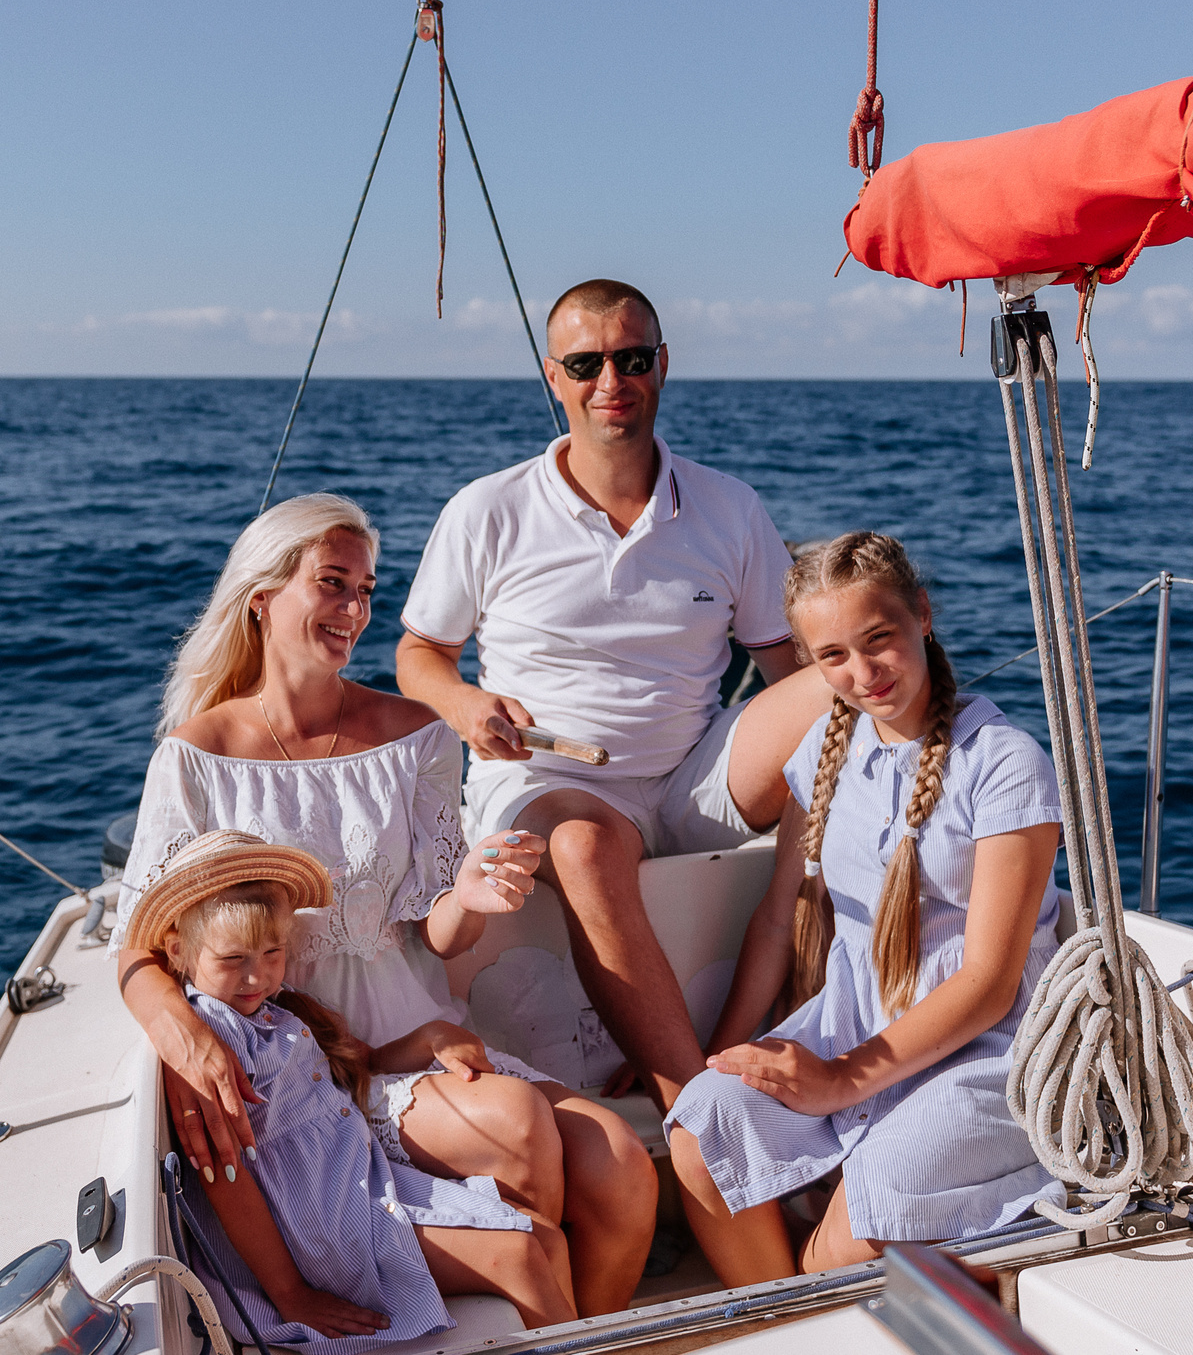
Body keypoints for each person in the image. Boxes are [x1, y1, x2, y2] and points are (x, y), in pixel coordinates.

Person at [115, 493, 657, 1315]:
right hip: (303, 1075)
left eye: (367, 590)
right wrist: (186, 1043)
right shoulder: (198, 756)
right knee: (515, 1128)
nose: (355, 609)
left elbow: (435, 934)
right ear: (262, 598)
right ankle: (531, 1309)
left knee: (622, 1165)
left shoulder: (417, 734)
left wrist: (469, 893)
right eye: (332, 583)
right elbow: (137, 947)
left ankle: (572, 1329)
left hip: (414, 1037)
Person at [396, 279, 825, 1117]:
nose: (611, 381)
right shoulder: (489, 509)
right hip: (551, 781)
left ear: (661, 366)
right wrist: (465, 704)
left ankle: (849, 1002)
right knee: (588, 846)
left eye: (631, 359)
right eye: (586, 363)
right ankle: (697, 1104)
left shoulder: (729, 508)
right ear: (553, 376)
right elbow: (420, 654)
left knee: (836, 692)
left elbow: (788, 662)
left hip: (691, 776)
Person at [664, 532, 1064, 1285]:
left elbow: (989, 983)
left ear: (923, 614)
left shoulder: (1006, 764)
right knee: (704, 1123)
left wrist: (843, 1079)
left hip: (985, 1052)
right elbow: (780, 918)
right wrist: (718, 1058)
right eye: (833, 656)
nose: (863, 672)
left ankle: (800, 1314)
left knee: (867, 1215)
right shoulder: (823, 749)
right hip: (853, 1025)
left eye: (879, 640)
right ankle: (785, 1315)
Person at [131, 832, 575, 1342]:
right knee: (517, 1254)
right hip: (317, 1227)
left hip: (365, 1186)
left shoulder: (281, 1011)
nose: (256, 978)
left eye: (272, 953)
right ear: (179, 951)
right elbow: (225, 1179)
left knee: (545, 1238)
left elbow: (359, 1064)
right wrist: (290, 1294)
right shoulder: (212, 1036)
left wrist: (429, 1037)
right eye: (232, 961)